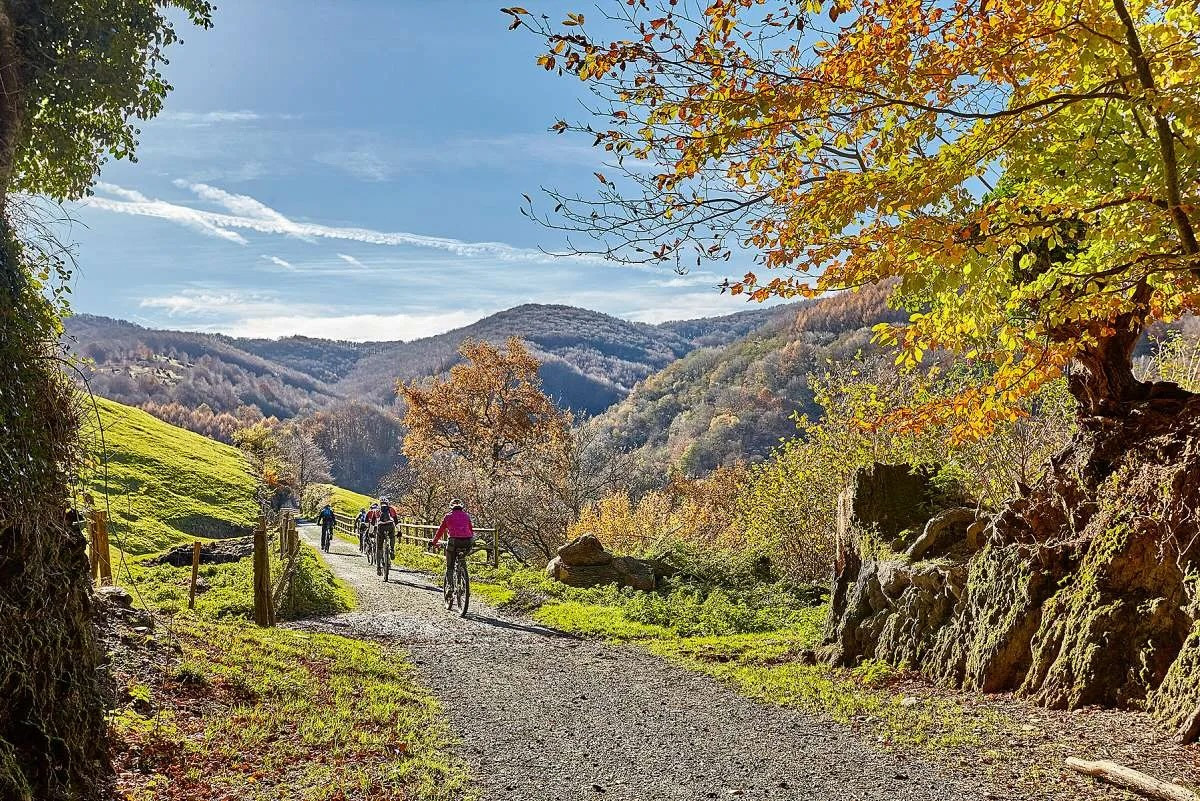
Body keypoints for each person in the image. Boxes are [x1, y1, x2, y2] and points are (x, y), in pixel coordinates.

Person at [431, 499, 475, 610]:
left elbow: (440, 531)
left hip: (453, 542)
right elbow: (471, 530)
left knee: (449, 567)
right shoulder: (467, 516)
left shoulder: (448, 516)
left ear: (451, 507)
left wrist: (434, 542)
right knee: (462, 557)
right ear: (462, 507)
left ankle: (450, 587)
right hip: (468, 542)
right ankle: (463, 571)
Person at [374, 496, 399, 579]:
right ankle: (392, 549)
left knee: (379, 548)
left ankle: (378, 568)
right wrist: (399, 531)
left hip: (380, 528)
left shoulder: (377, 510)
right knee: (392, 536)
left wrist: (371, 533)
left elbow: (372, 524)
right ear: (388, 503)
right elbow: (396, 521)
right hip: (390, 526)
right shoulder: (391, 509)